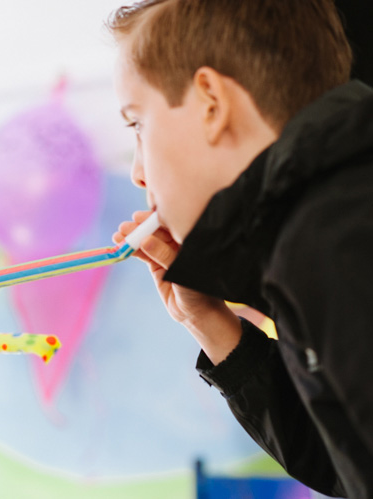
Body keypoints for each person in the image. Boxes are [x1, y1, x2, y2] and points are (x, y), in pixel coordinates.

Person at [108, 0, 373, 497]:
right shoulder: (309, 229)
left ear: (211, 101)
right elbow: (347, 458)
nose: (137, 171)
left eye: (138, 124)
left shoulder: (332, 238)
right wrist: (209, 324)